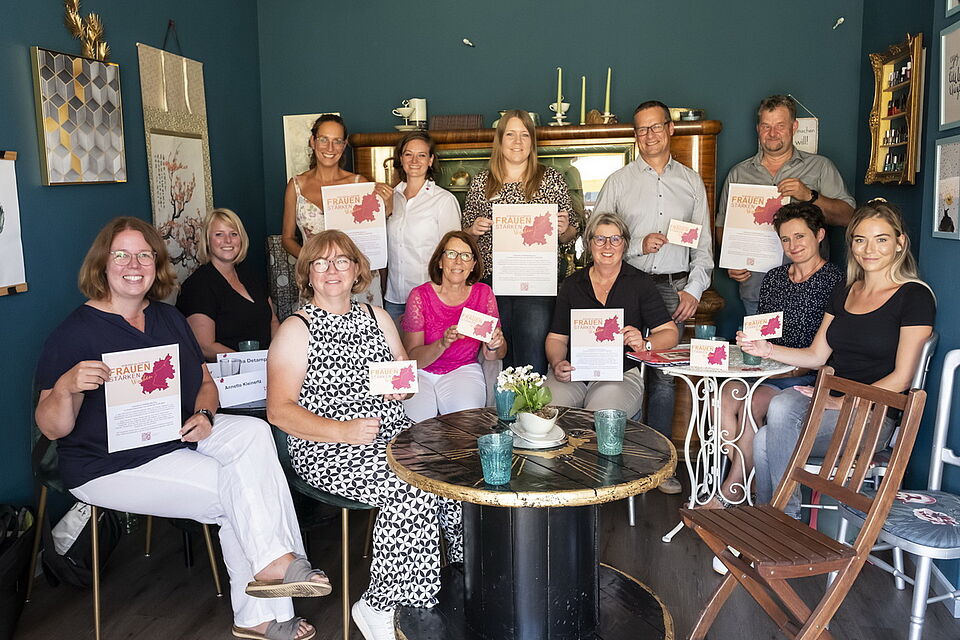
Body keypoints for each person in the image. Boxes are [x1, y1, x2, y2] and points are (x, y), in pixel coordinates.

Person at [35, 217, 329, 640]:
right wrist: (66, 386)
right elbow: (53, 429)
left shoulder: (168, 319)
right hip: (108, 465)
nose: (134, 264)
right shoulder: (75, 332)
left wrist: (205, 415)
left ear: (157, 264)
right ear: (102, 263)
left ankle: (270, 570)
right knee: (239, 493)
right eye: (122, 255)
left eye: (144, 255)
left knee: (254, 435)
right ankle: (263, 607)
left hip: (173, 439)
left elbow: (206, 384)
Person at [267, 230, 462, 640]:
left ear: (357, 270)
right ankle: (379, 606)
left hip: (394, 437)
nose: (332, 270)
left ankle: (458, 584)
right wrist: (343, 431)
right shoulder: (296, 329)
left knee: (455, 476)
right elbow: (279, 411)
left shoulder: (378, 317)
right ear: (307, 273)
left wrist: (402, 389)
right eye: (321, 262)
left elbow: (404, 378)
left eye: (341, 260)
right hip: (327, 448)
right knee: (410, 487)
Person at [741, 200, 935, 519]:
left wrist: (842, 401)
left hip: (872, 416)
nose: (869, 249)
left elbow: (902, 377)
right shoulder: (846, 291)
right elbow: (817, 355)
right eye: (860, 240)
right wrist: (766, 349)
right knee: (764, 435)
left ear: (900, 243)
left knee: (777, 416)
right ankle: (777, 522)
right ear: (851, 244)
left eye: (881, 239)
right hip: (829, 404)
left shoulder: (914, 296)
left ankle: (779, 522)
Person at [593, 100, 713, 494]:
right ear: (635, 135)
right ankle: (616, 462)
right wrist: (637, 245)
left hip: (673, 287)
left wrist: (693, 288)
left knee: (662, 377)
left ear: (670, 129)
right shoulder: (618, 181)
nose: (650, 135)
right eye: (642, 129)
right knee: (619, 369)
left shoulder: (691, 182)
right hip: (626, 284)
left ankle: (658, 465)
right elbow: (594, 237)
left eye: (656, 126)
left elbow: (704, 248)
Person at [706, 202, 844, 508]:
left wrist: (784, 366)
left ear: (820, 235)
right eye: (785, 239)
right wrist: (750, 343)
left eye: (800, 236)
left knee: (751, 406)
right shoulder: (775, 277)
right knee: (720, 399)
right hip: (767, 367)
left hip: (804, 375)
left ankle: (730, 490)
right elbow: (764, 330)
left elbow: (825, 351)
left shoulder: (835, 281)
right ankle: (755, 474)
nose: (793, 245)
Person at [462, 109, 579, 375]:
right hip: (493, 283)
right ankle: (501, 403)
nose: (517, 142)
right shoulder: (482, 182)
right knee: (496, 356)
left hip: (537, 283)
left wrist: (564, 229)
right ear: (500, 140)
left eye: (524, 135)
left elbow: (570, 234)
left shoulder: (550, 179)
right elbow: (465, 237)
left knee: (532, 359)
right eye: (511, 134)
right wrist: (474, 230)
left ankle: (531, 404)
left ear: (532, 141)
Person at [718, 94, 856, 316]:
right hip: (756, 289)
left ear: (794, 126)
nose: (772, 133)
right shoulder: (739, 173)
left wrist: (809, 195)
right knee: (758, 340)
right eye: (766, 126)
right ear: (758, 129)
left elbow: (848, 217)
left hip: (810, 290)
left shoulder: (819, 167)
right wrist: (730, 261)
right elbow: (723, 224)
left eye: (780, 126)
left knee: (814, 340)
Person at [545, 212, 678, 417]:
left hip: (620, 375)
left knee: (602, 417)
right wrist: (557, 363)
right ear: (589, 244)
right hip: (573, 373)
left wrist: (645, 343)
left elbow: (670, 333)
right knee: (544, 412)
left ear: (624, 244)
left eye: (615, 239)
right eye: (600, 239)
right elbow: (556, 338)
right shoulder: (572, 284)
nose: (607, 246)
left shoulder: (640, 283)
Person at [281, 113, 393, 306]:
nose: (330, 148)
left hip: (356, 281)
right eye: (323, 139)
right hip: (317, 278)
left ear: (344, 144)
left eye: (337, 141)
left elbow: (373, 232)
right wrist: (314, 262)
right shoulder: (296, 186)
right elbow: (287, 239)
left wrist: (388, 207)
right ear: (313, 141)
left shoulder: (359, 184)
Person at [401, 231, 506, 421]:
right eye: (451, 254)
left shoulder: (483, 293)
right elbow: (413, 359)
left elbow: (496, 354)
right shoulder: (419, 295)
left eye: (465, 256)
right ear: (440, 262)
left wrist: (495, 345)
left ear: (473, 265)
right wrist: (442, 344)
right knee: (415, 424)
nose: (458, 261)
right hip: (421, 373)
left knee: (466, 423)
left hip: (463, 369)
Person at [177, 207, 279, 360]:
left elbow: (273, 321)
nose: (228, 240)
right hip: (228, 372)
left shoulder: (251, 276)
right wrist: (251, 363)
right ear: (207, 241)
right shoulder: (198, 285)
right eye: (219, 234)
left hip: (268, 365)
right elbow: (205, 346)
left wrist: (276, 357)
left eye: (234, 234)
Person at [384, 132, 461, 322]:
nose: (414, 161)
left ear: (430, 160)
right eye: (408, 154)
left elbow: (453, 254)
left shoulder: (443, 200)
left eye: (421, 155)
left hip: (430, 298)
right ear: (401, 158)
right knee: (394, 343)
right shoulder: (391, 197)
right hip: (394, 298)